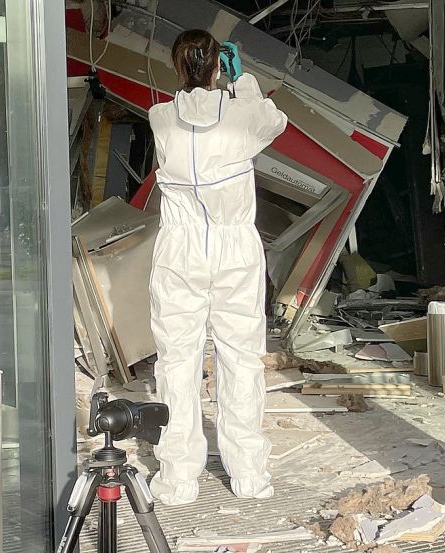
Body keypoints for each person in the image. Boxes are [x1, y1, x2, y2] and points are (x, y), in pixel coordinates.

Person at [146, 29, 288, 506]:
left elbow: (190, 108)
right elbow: (275, 122)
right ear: (216, 66)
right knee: (240, 360)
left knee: (176, 363)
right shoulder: (242, 114)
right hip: (233, 250)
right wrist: (240, 79)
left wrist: (213, 82)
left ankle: (177, 480)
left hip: (180, 251)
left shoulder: (160, 117)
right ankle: (249, 476)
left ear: (176, 64)